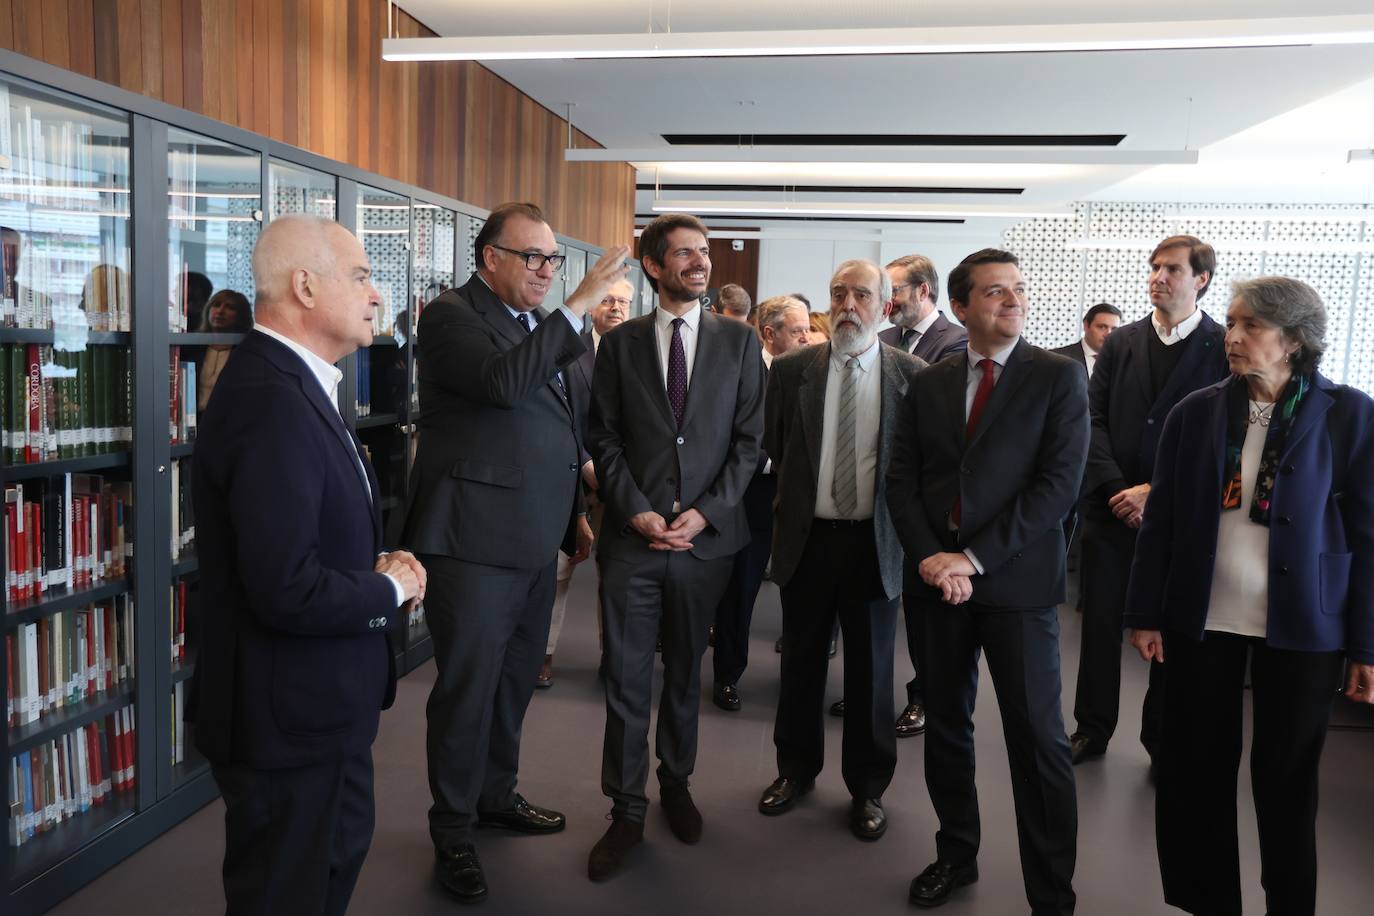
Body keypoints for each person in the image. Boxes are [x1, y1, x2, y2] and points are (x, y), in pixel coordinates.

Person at [188, 213, 425, 915]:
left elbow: (297, 541)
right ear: (304, 286)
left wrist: (369, 563)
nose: (376, 293)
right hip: (284, 718)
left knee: (328, 871)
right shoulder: (271, 400)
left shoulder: (299, 384)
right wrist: (388, 586)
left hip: (316, 709)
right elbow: (283, 587)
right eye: (359, 276)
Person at [397, 202, 630, 904]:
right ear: (490, 257)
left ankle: (495, 795)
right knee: (468, 689)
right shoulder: (449, 317)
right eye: (533, 257)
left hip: (538, 535)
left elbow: (566, 424)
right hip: (470, 541)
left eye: (553, 261)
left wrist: (573, 513)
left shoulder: (549, 330)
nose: (547, 271)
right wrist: (577, 308)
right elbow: (503, 386)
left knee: (513, 684)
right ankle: (453, 831)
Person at [1124, 276, 1374, 916]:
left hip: (1305, 623)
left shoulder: (1349, 413)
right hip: (1202, 617)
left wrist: (1366, 644)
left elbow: (1370, 535)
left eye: (1251, 327)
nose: (1232, 337)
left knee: (1287, 781)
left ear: (1294, 341)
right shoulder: (1198, 410)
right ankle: (1207, 904)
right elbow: (1164, 522)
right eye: (1231, 324)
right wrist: (1146, 612)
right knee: (1195, 774)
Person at [887, 248, 1086, 914]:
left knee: (1039, 742)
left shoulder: (1058, 378)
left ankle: (1052, 894)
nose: (1012, 299)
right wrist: (928, 558)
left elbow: (1056, 490)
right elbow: (903, 481)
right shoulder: (932, 381)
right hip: (936, 588)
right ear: (962, 305)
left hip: (1017, 590)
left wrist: (970, 559)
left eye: (1019, 289)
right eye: (995, 291)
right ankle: (955, 854)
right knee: (946, 727)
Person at [584, 212, 764, 881]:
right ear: (654, 266)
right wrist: (634, 511)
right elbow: (602, 436)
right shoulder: (621, 344)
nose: (700, 263)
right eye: (684, 253)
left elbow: (750, 445)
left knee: (686, 672)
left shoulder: (739, 344)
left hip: (704, 545)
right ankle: (626, 810)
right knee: (627, 680)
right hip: (633, 544)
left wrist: (703, 515)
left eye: (705, 252)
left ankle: (677, 783)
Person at [757, 261, 923, 841]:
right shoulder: (793, 369)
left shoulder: (914, 376)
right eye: (838, 294)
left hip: (875, 546)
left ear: (886, 306)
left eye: (861, 294)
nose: (848, 304)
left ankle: (868, 788)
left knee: (872, 674)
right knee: (800, 664)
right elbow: (778, 447)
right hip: (809, 541)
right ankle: (795, 772)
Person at [1069, 236, 1229, 767]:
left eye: (1172, 269)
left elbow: (1221, 441)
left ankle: (1161, 740)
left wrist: (1156, 493)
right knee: (1099, 628)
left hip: (1180, 515)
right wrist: (1118, 489)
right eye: (1155, 267)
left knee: (1171, 628)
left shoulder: (1222, 345)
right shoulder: (1121, 342)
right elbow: (1090, 421)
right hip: (1111, 509)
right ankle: (1092, 727)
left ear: (1201, 279)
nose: (1158, 277)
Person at [711, 295, 811, 712]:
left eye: (808, 329)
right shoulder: (740, 372)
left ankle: (798, 681)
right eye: (797, 331)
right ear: (769, 334)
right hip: (751, 499)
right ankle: (727, 677)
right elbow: (729, 435)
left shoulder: (815, 375)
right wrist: (775, 464)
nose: (807, 338)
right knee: (741, 591)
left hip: (803, 506)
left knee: (803, 597)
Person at [540, 278, 634, 687]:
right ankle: (543, 654)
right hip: (571, 475)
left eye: (623, 302)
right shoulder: (569, 350)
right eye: (608, 299)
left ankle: (613, 656)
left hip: (624, 484)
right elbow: (556, 415)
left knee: (617, 577)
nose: (615, 307)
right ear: (593, 305)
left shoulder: (642, 353)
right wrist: (585, 462)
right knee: (559, 572)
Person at [879, 253, 969, 362]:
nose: (887, 301)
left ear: (923, 291)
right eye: (885, 293)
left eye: (894, 291)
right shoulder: (881, 339)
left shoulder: (959, 340)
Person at [196, 289, 255, 411]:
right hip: (192, 421)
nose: (220, 311)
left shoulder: (248, 353)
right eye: (216, 305)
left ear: (241, 316)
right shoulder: (192, 348)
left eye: (230, 307)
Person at [1050, 302, 1122, 380]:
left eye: (1114, 329)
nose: (1108, 334)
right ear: (1086, 326)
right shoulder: (1056, 358)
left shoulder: (1125, 362)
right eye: (1102, 327)